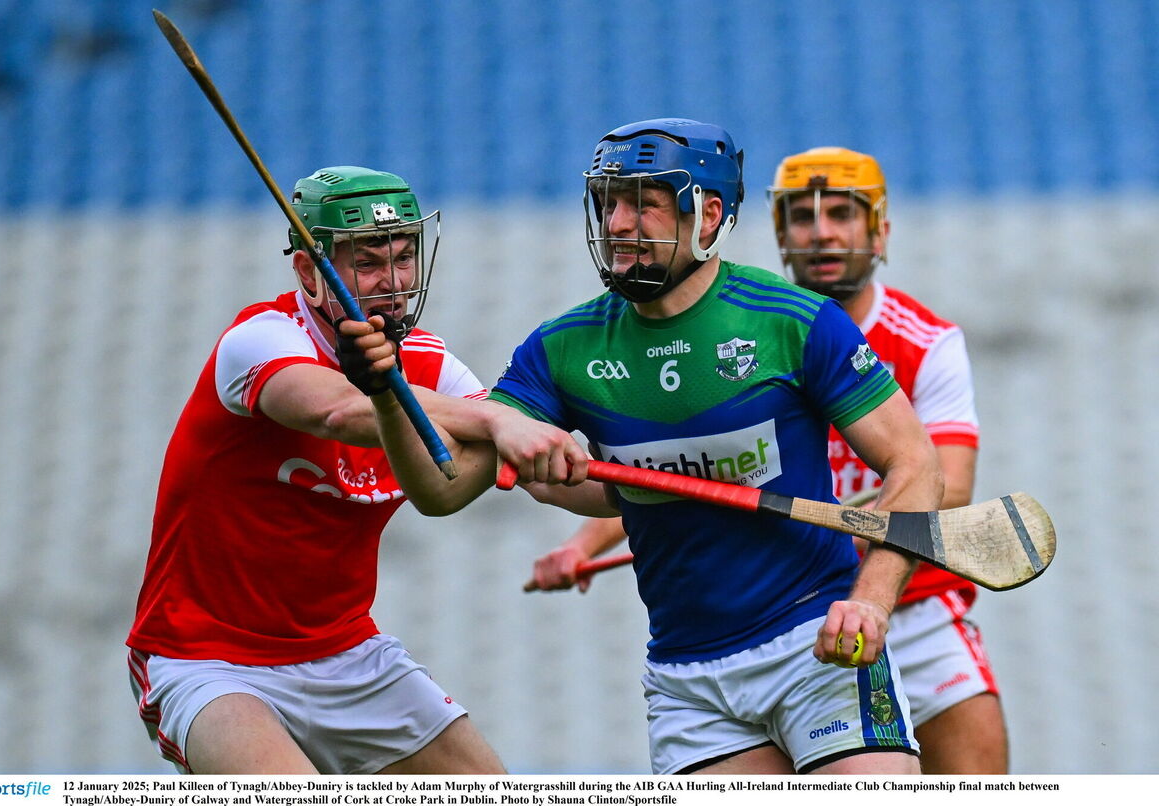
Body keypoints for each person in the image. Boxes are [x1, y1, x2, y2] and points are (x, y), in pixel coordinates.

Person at [355, 120, 944, 775]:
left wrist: (871, 599)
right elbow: (441, 491)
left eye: (642, 202)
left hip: (815, 642)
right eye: (608, 201)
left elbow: (916, 465)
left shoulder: (794, 321)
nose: (618, 222)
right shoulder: (561, 349)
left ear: (708, 213)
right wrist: (385, 393)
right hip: (690, 681)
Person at [533, 146, 1007, 775]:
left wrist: (847, 521)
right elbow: (681, 474)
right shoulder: (742, 330)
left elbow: (942, 487)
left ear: (881, 231)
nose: (823, 234)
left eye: (842, 214)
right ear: (779, 234)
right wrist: (583, 544)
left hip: (909, 598)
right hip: (789, 615)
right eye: (803, 218)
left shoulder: (924, 341)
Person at [125, 165, 581, 774]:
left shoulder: (432, 364)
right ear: (310, 273)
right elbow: (340, 410)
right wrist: (498, 420)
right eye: (367, 262)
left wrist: (678, 488)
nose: (392, 283)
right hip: (208, 659)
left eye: (402, 258)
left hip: (346, 651)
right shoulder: (261, 339)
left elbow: (551, 478)